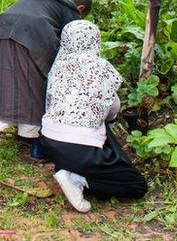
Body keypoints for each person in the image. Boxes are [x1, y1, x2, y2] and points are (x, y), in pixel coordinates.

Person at [39, 20, 148, 212]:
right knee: (137, 185)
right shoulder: (101, 68)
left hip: (49, 140)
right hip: (81, 149)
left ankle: (69, 168)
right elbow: (112, 109)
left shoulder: (58, 67)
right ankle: (77, 179)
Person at [0, 0, 92, 157]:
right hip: (34, 31)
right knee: (35, 82)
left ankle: (18, 129)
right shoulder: (70, 10)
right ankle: (34, 140)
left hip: (6, 25)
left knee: (11, 76)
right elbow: (71, 45)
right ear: (81, 8)